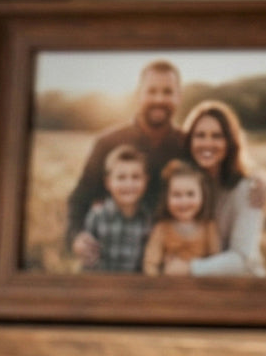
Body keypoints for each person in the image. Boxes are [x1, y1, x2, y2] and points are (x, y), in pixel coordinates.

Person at [66, 59, 186, 238]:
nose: (159, 99)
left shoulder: (187, 144)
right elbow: (80, 198)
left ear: (178, 96)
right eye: (151, 91)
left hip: (172, 252)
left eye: (167, 92)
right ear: (138, 94)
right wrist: (77, 237)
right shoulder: (107, 142)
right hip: (115, 251)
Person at [179, 100, 266, 277]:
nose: (207, 143)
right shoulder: (186, 184)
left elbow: (243, 258)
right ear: (190, 141)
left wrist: (190, 269)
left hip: (245, 286)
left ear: (230, 142)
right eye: (200, 135)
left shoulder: (248, 189)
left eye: (217, 136)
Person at [72, 144, 151, 272]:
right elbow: (87, 261)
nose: (129, 184)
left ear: (146, 181)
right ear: (108, 183)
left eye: (136, 177)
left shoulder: (147, 218)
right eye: (121, 177)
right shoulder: (97, 216)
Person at [143, 160, 220, 275]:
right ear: (166, 198)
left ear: (202, 195)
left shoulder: (208, 227)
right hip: (169, 288)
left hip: (202, 288)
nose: (184, 201)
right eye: (176, 195)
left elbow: (216, 263)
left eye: (190, 194)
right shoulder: (162, 228)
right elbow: (150, 263)